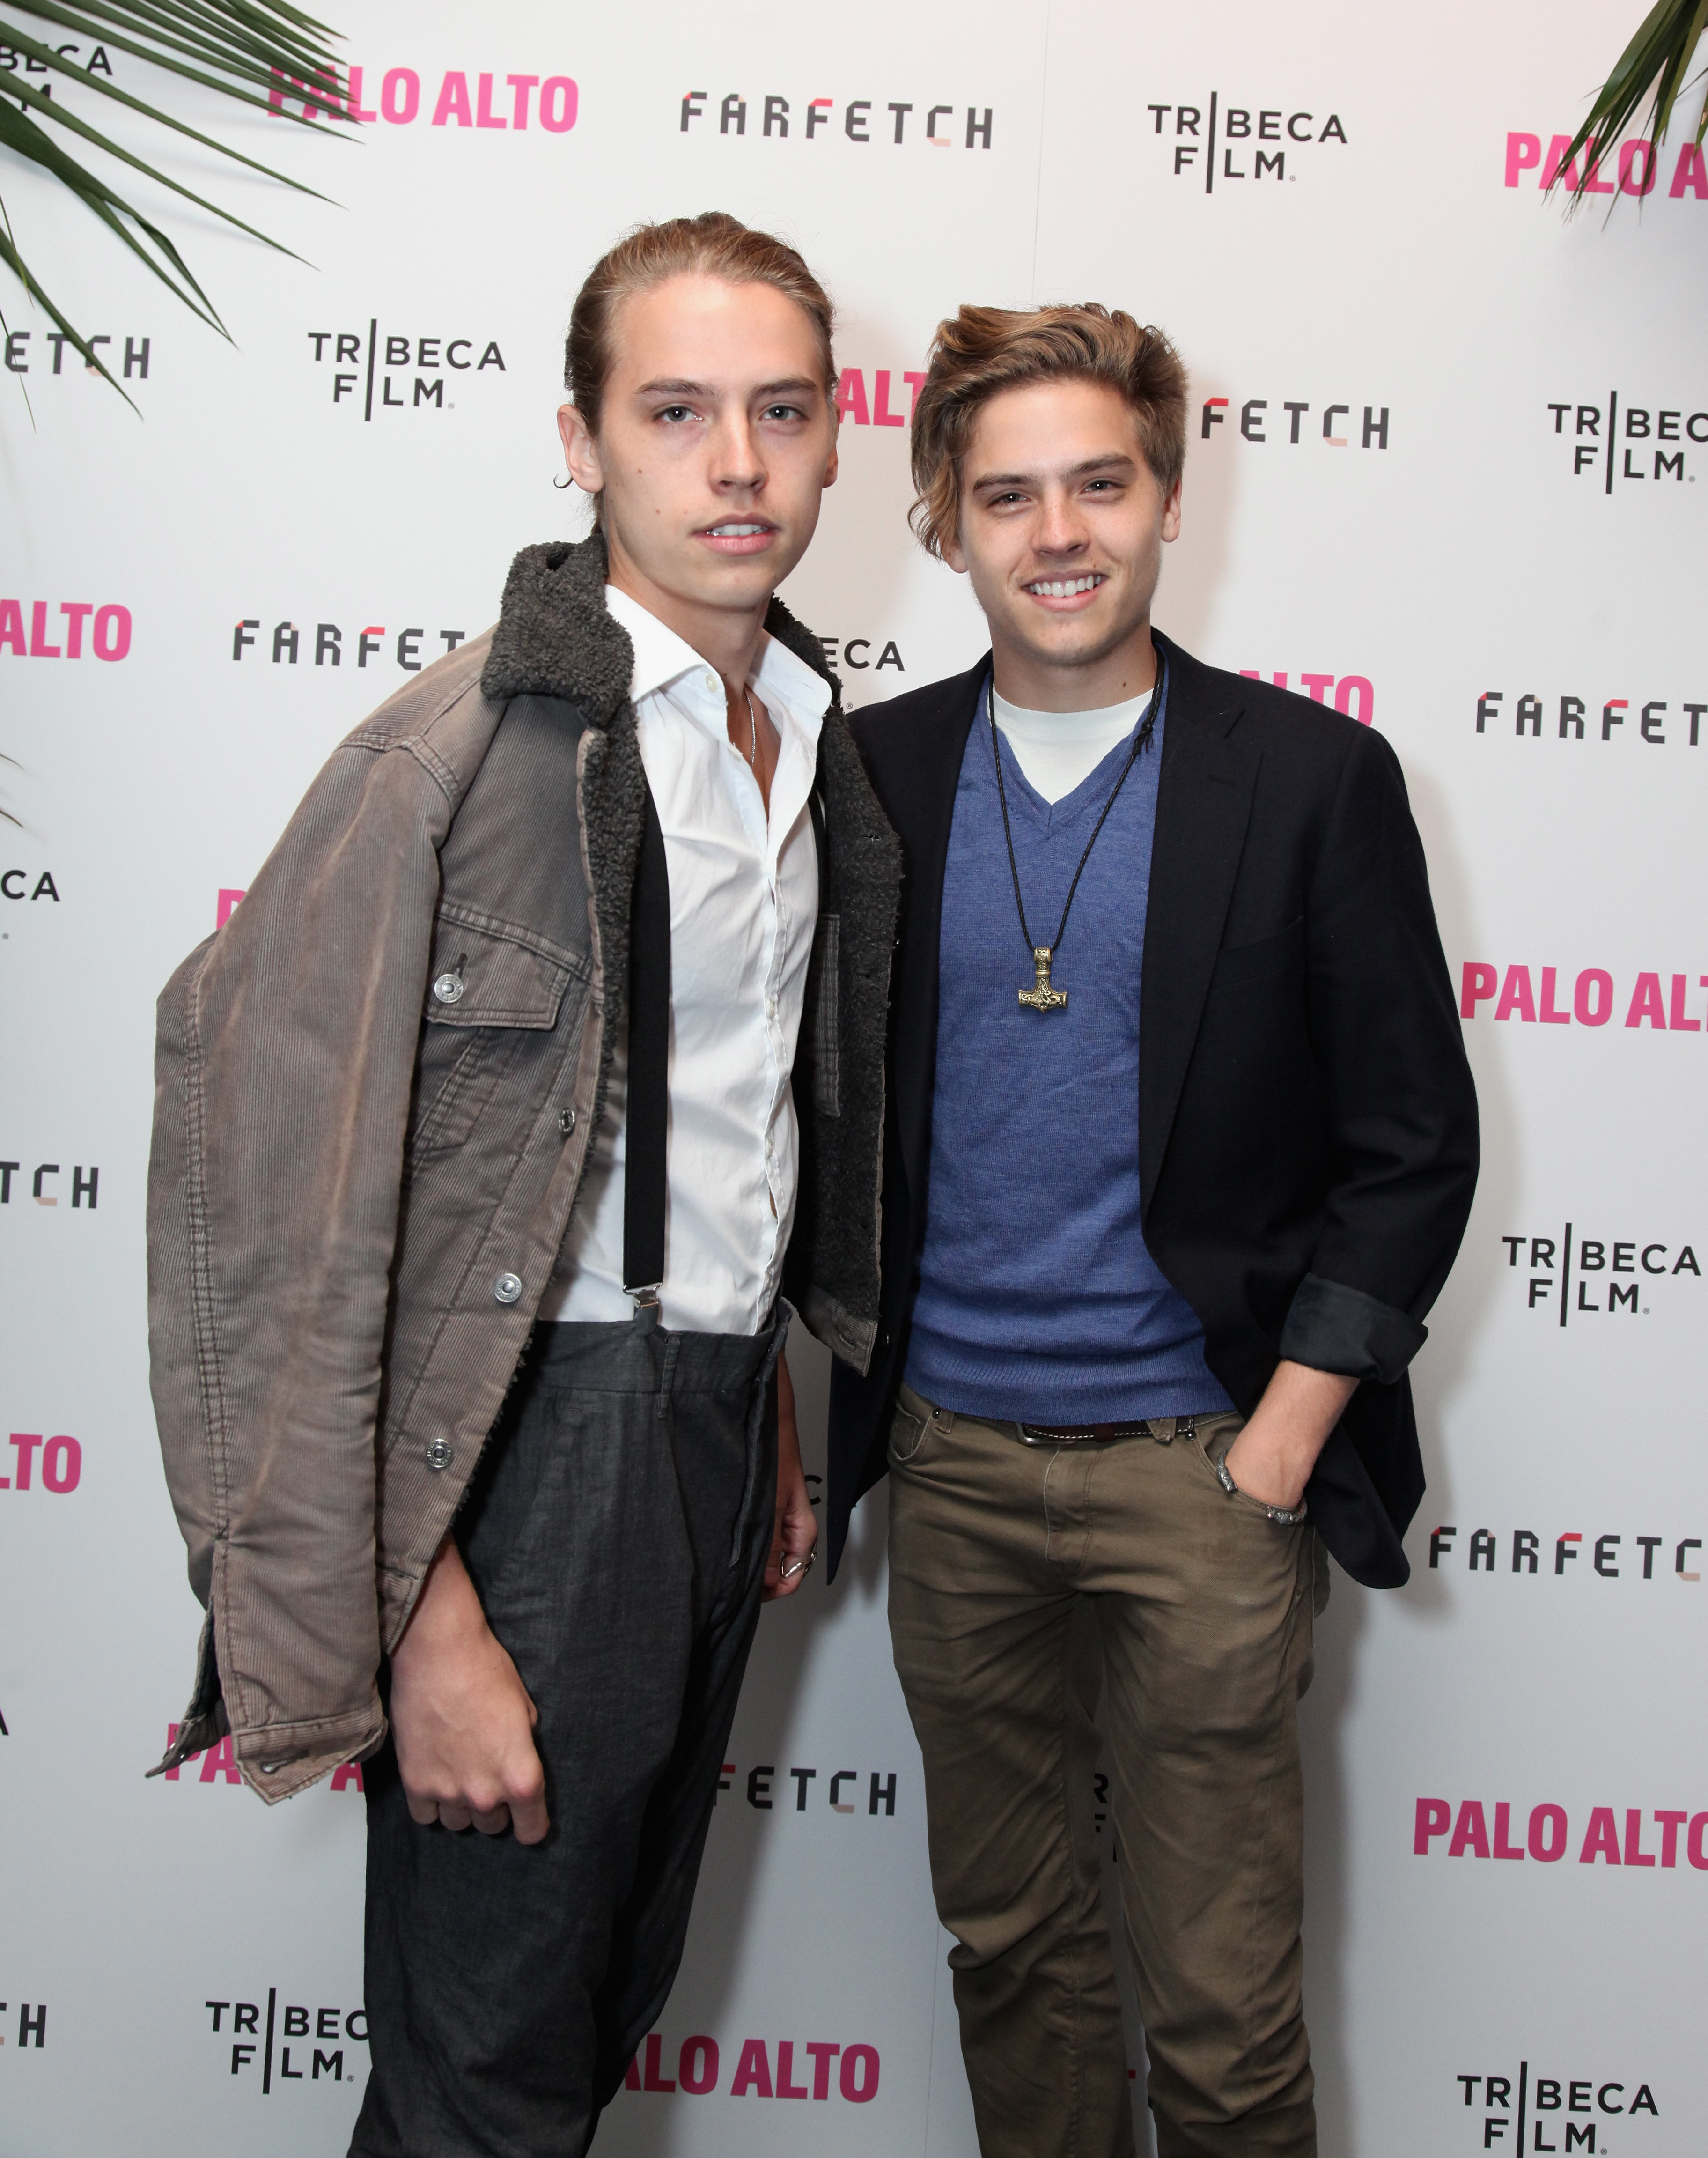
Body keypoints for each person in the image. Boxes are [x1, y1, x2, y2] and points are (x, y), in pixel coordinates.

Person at [146, 212, 900, 2158]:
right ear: (578, 440)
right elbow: (286, 1226)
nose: (736, 465)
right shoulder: (453, 759)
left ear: (836, 439)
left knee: (573, 2034)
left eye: (781, 413)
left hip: (716, 1431)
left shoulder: (813, 741)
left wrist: (777, 1414)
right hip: (521, 1465)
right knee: (486, 2084)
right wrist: (417, 1612)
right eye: (674, 412)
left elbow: (733, 1122)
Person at [828, 304, 1479, 2158]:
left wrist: (1278, 1446)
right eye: (1007, 494)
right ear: (946, 522)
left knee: (1220, 2009)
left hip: (1205, 1470)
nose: (1057, 534)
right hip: (949, 1472)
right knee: (1011, 1961)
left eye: (1098, 484)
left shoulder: (1313, 781)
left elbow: (1414, 1147)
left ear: (1170, 499)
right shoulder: (865, 783)